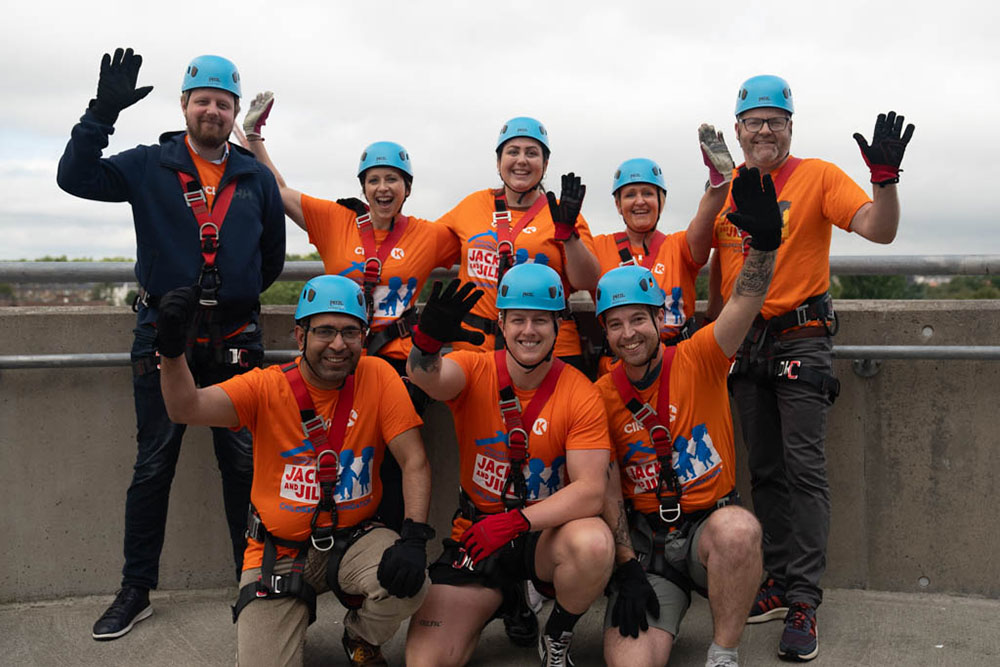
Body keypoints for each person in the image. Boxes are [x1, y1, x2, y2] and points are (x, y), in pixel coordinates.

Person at [56, 48, 285, 640]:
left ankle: (251, 584)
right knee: (154, 462)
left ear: (235, 113)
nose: (212, 110)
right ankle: (136, 591)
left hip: (236, 337)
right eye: (202, 100)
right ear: (184, 105)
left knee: (241, 466)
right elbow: (74, 177)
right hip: (164, 335)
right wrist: (100, 112)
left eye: (223, 103)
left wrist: (228, 297)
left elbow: (271, 261)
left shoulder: (254, 176)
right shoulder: (148, 165)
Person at [712, 74, 915, 661]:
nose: (765, 129)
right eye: (755, 121)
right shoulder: (730, 189)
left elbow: (881, 231)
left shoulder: (817, 177)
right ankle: (774, 582)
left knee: (804, 470)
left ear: (791, 127)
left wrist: (885, 182)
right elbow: (722, 278)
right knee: (766, 469)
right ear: (738, 130)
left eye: (776, 120)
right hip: (746, 343)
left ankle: (803, 600)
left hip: (800, 336)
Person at [157, 275, 434, 666]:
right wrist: (171, 353)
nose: (338, 344)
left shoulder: (378, 376)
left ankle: (361, 637)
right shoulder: (266, 388)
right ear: (299, 336)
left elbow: (414, 460)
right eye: (325, 331)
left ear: (364, 336)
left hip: (353, 540)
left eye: (350, 332)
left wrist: (414, 537)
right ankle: (287, 613)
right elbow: (185, 408)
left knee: (412, 582)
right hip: (279, 550)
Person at [236, 91, 459, 532]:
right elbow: (279, 192)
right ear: (363, 187)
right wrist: (255, 137)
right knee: (346, 455)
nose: (383, 188)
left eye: (393, 180)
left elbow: (482, 247)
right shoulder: (336, 220)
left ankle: (392, 547)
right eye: (374, 180)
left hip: (398, 366)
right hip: (341, 359)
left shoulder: (429, 235)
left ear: (407, 189)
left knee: (396, 461)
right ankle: (344, 542)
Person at [594, 165, 783, 667]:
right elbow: (608, 486)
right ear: (604, 335)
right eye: (616, 325)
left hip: (707, 530)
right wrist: (627, 566)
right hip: (646, 543)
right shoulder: (600, 395)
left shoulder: (701, 356)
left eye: (639, 318)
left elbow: (747, 297)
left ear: (662, 318)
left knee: (739, 531)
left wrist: (763, 245)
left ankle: (723, 652)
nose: (629, 334)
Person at [404, 263, 614, 667]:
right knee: (425, 661)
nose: (529, 331)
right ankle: (511, 598)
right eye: (518, 319)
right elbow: (425, 377)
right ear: (500, 322)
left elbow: (590, 490)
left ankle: (557, 633)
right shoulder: (474, 367)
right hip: (478, 532)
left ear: (558, 326)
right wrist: (426, 345)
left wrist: (517, 522)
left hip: (542, 536)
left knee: (593, 543)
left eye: (540, 320)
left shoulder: (580, 392)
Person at [436, 116, 602, 371]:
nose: (522, 160)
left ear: (545, 164)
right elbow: (417, 242)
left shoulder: (562, 212)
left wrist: (568, 234)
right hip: (478, 346)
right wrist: (364, 219)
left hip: (550, 348)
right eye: (512, 152)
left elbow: (587, 280)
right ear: (498, 161)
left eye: (532, 153)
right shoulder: (471, 206)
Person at [591, 127, 734, 373]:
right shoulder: (599, 247)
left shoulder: (679, 246)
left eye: (648, 193)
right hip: (622, 366)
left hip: (677, 362)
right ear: (617, 204)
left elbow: (703, 221)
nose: (639, 201)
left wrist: (718, 184)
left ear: (662, 201)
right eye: (630, 195)